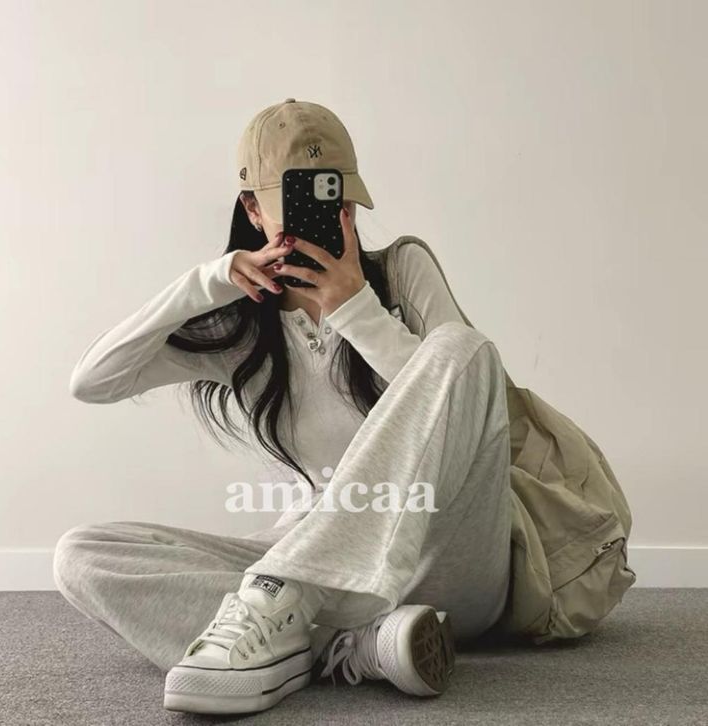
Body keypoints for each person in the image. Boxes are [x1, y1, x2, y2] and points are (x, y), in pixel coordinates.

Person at [53, 98, 512, 715]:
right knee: (83, 554)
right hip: (317, 570)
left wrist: (356, 310)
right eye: (301, 205)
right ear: (251, 208)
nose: (330, 219)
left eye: (339, 201)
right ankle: (356, 645)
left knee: (461, 347)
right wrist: (208, 282)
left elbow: (464, 391)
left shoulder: (403, 272)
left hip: (447, 552)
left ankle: (294, 618)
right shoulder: (240, 327)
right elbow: (93, 380)